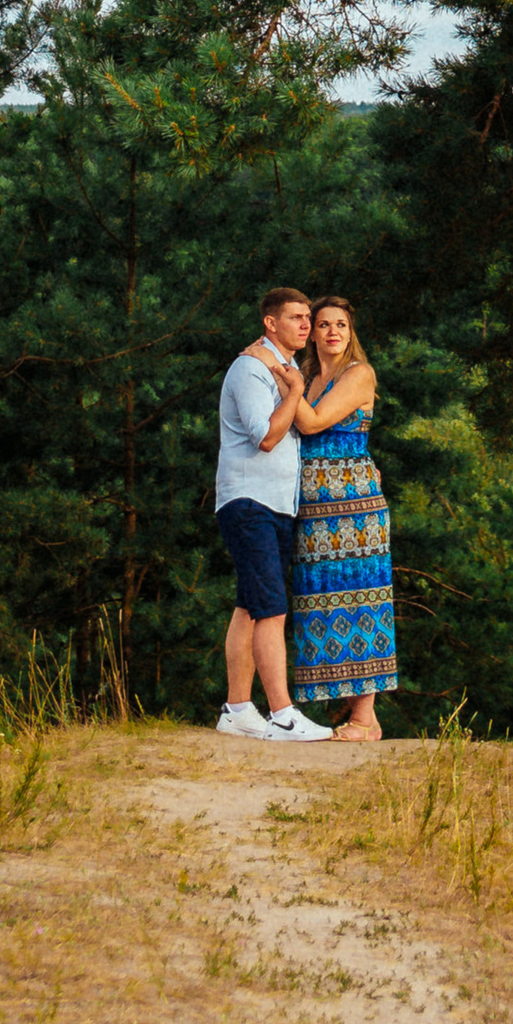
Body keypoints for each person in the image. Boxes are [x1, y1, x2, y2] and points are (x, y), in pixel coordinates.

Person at [214, 283, 332, 742]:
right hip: (250, 501)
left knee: (249, 606)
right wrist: (296, 390)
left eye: (307, 317)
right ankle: (283, 714)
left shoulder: (281, 368)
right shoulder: (249, 368)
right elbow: (265, 436)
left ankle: (237, 710)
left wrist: (292, 383)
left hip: (276, 504)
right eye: (296, 317)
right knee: (271, 608)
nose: (306, 325)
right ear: (270, 322)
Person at [288, 294, 397, 742]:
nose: (333, 331)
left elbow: (312, 423)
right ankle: (362, 719)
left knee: (361, 600)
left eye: (341, 325)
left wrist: (283, 381)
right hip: (313, 512)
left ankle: (364, 718)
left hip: (355, 509)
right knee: (323, 603)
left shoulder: (358, 373)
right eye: (324, 324)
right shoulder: (308, 376)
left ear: (351, 333)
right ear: (312, 333)